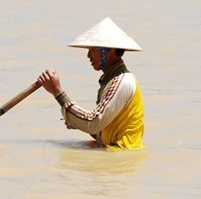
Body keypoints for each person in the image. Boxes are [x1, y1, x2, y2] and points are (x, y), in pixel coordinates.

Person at [38, 17, 145, 149]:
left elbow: (94, 122)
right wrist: (76, 122)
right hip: (112, 150)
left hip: (119, 153)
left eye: (93, 49)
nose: (88, 55)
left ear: (109, 50)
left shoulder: (122, 82)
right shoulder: (112, 81)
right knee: (53, 145)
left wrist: (58, 92)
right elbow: (101, 129)